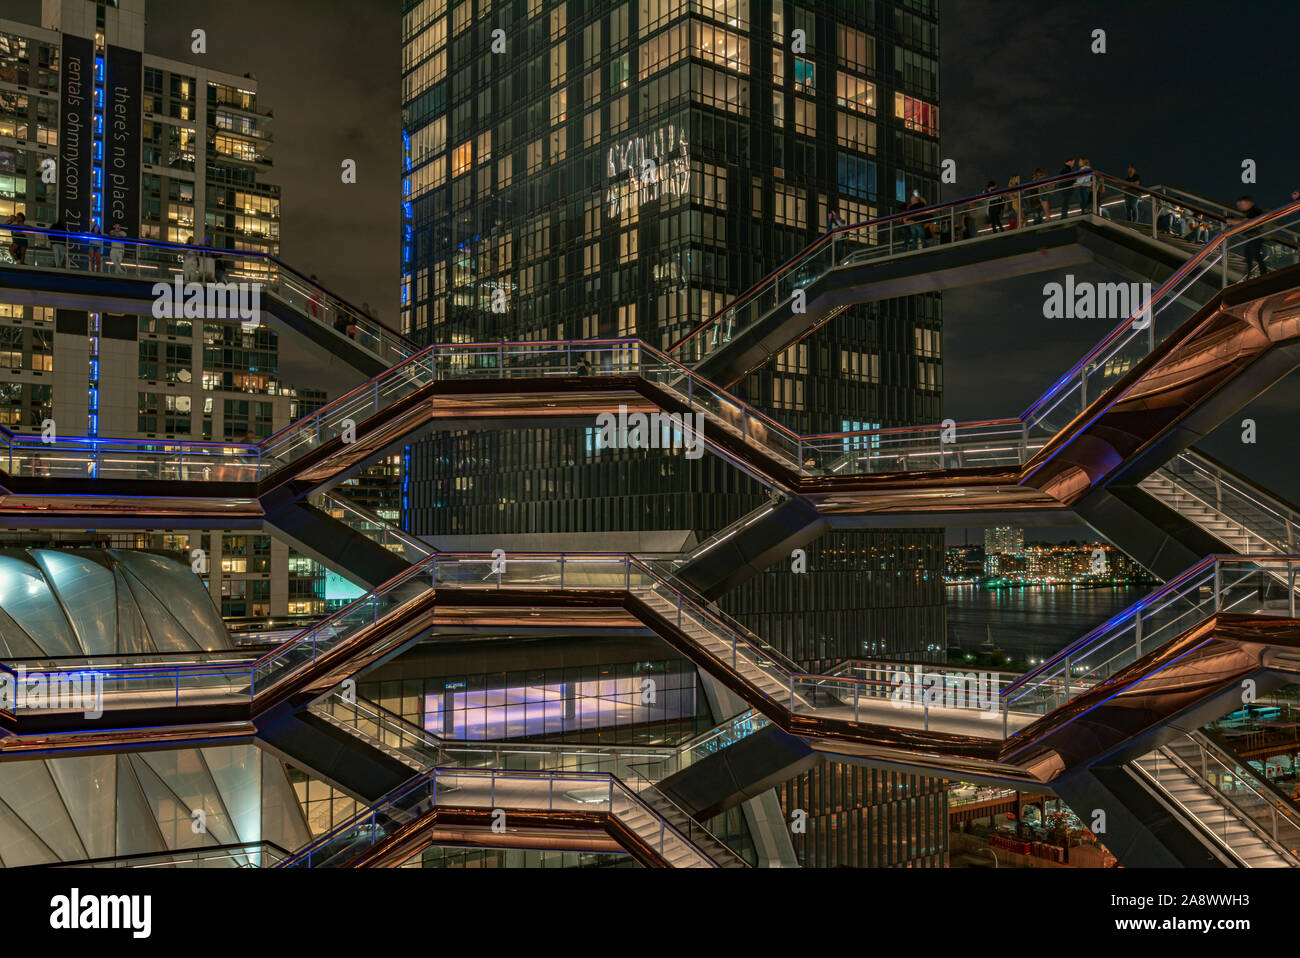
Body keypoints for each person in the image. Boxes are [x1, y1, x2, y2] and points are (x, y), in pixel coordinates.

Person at [1227, 195, 1269, 277]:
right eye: (1238, 205)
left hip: (1256, 236)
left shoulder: (1254, 211)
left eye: (1241, 204)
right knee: (1251, 255)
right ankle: (1252, 274)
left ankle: (1259, 275)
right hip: (1254, 236)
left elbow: (1245, 222)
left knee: (1253, 255)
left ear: (1249, 203)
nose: (1239, 207)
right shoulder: (1252, 211)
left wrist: (1231, 221)